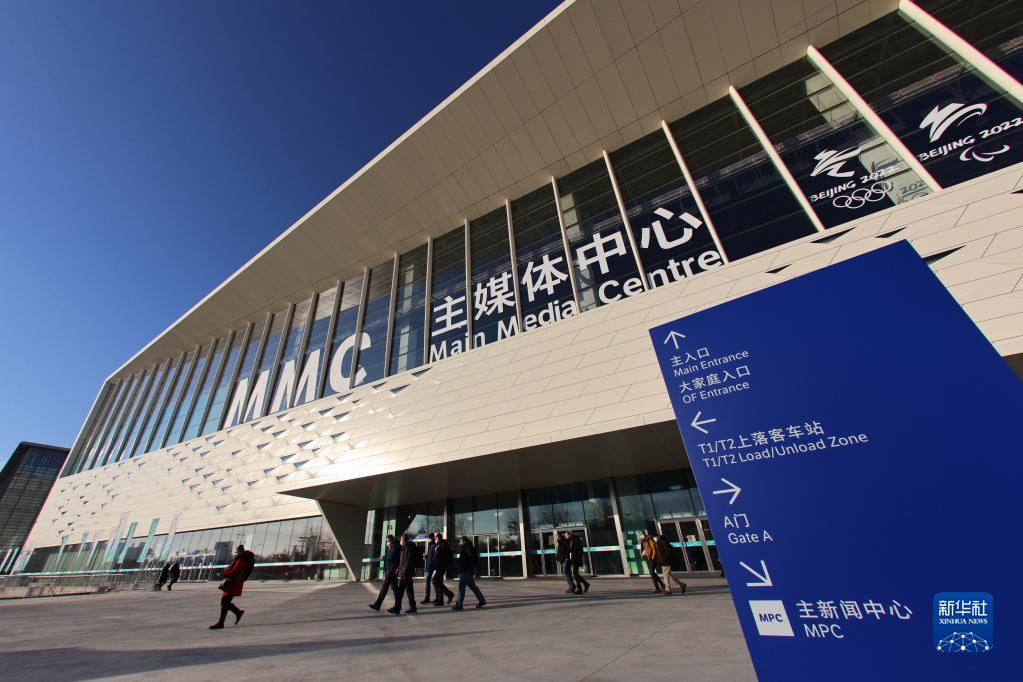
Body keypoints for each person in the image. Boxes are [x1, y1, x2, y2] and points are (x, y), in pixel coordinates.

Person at [209, 544, 255, 629]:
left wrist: (222, 574)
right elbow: (233, 569)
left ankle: (225, 620)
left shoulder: (241, 560)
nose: (236, 553)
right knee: (225, 602)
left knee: (224, 602)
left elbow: (234, 572)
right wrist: (226, 570)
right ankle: (234, 615)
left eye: (237, 552)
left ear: (241, 551)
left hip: (233, 583)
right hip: (233, 582)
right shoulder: (240, 559)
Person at [388, 534, 420, 615]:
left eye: (401, 539)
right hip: (405, 573)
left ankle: (398, 608)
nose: (400, 541)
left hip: (406, 573)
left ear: (404, 540)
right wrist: (399, 569)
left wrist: (403, 572)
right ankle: (411, 607)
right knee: (408, 591)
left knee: (402, 592)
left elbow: (408, 561)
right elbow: (403, 561)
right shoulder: (405, 547)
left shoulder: (408, 548)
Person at [451, 536, 485, 610]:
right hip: (467, 571)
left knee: (461, 588)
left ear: (464, 542)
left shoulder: (467, 549)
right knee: (473, 587)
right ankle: (482, 600)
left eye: (460, 541)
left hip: (466, 571)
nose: (459, 543)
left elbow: (470, 560)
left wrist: (469, 569)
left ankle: (459, 605)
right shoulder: (467, 548)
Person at [369, 534, 401, 611]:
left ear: (391, 540)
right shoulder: (389, 547)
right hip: (389, 570)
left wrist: (383, 557)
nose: (387, 542)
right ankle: (398, 605)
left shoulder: (395, 546)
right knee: (395, 588)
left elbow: (391, 556)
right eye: (387, 541)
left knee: (385, 587)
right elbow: (389, 556)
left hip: (391, 570)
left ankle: (377, 605)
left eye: (388, 541)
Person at [431, 534, 455, 606]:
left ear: (438, 538)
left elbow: (441, 556)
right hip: (436, 567)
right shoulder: (438, 545)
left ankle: (449, 594)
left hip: (440, 567)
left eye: (436, 538)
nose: (435, 539)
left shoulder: (442, 545)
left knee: (436, 581)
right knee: (436, 581)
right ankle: (440, 600)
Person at [565, 530, 590, 594]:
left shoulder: (576, 540)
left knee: (575, 574)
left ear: (570, 534)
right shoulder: (569, 541)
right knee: (575, 574)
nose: (566, 537)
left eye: (566, 535)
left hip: (576, 559)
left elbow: (580, 550)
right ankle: (585, 584)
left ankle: (581, 588)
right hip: (572, 559)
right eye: (565, 536)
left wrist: (578, 558)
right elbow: (568, 550)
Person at [421, 532, 438, 604]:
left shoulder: (435, 545)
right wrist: (426, 556)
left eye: (430, 538)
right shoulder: (430, 545)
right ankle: (433, 597)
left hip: (433, 568)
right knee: (432, 581)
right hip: (430, 567)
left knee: (432, 581)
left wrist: (430, 561)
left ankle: (429, 597)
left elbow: (434, 557)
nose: (429, 539)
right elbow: (430, 556)